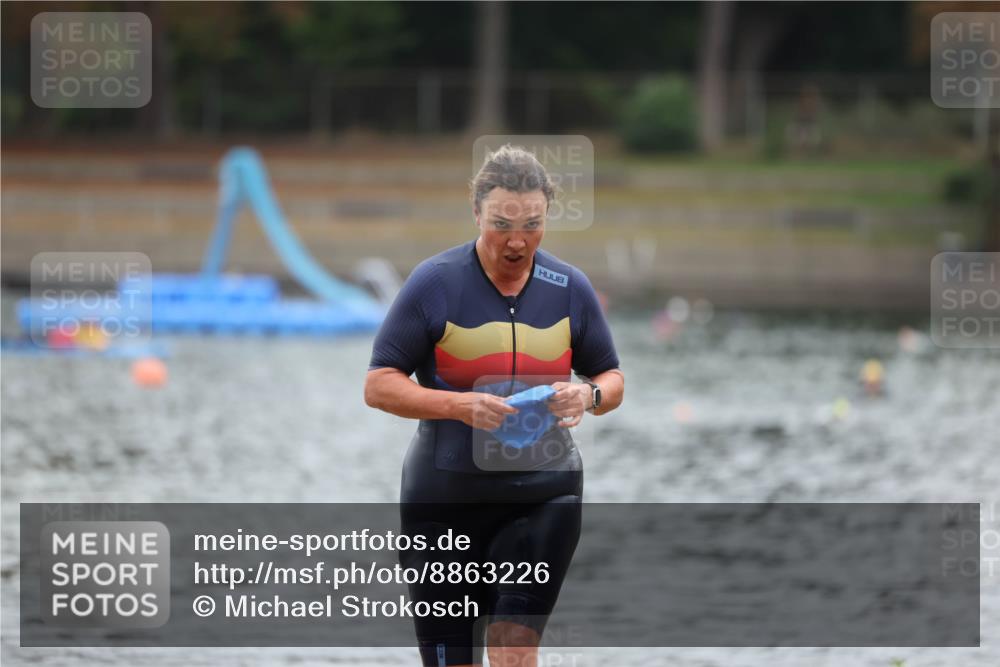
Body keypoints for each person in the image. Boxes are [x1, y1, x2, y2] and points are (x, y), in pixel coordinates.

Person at [364, 144, 624, 667]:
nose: (517, 240)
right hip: (444, 498)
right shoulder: (435, 283)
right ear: (476, 212)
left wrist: (590, 395)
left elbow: (611, 377)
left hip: (544, 495)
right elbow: (379, 385)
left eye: (532, 224)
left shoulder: (570, 287)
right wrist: (458, 407)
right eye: (502, 223)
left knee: (514, 649)